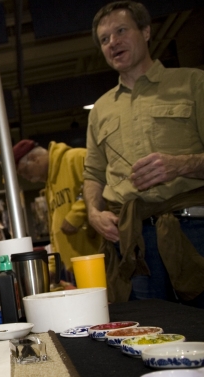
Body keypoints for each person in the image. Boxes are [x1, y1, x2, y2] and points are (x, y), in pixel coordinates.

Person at [84, 1, 204, 305]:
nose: (113, 42)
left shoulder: (192, 83)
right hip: (134, 239)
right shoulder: (101, 109)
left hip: (194, 228)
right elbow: (93, 174)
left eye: (121, 31)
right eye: (105, 39)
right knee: (149, 333)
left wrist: (181, 165)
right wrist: (94, 212)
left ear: (147, 32)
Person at [13, 139, 101, 273]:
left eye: (24, 171)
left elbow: (102, 184)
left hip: (99, 259)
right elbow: (55, 230)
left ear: (34, 158)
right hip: (79, 266)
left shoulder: (76, 157)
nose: (26, 177)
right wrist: (53, 267)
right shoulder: (49, 185)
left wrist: (75, 216)